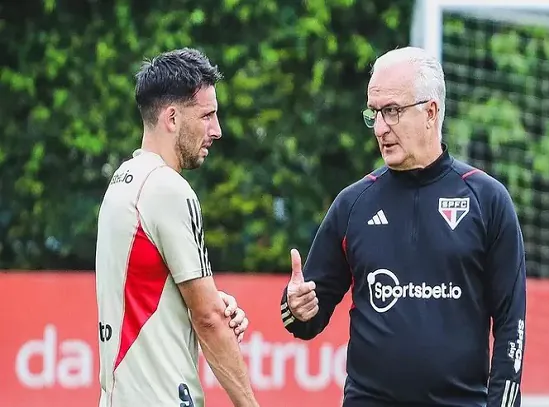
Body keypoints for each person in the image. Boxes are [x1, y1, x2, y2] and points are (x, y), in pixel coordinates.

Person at [280, 46, 526, 407]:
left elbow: (511, 326)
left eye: (392, 111)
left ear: (431, 111)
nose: (380, 128)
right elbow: (306, 317)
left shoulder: (487, 200)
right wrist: (297, 308)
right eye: (374, 114)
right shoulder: (353, 203)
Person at [96, 48, 259, 407]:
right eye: (207, 115)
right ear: (172, 117)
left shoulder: (123, 180)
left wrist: (212, 300)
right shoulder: (167, 189)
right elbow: (209, 319)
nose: (216, 130)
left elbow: (147, 285)